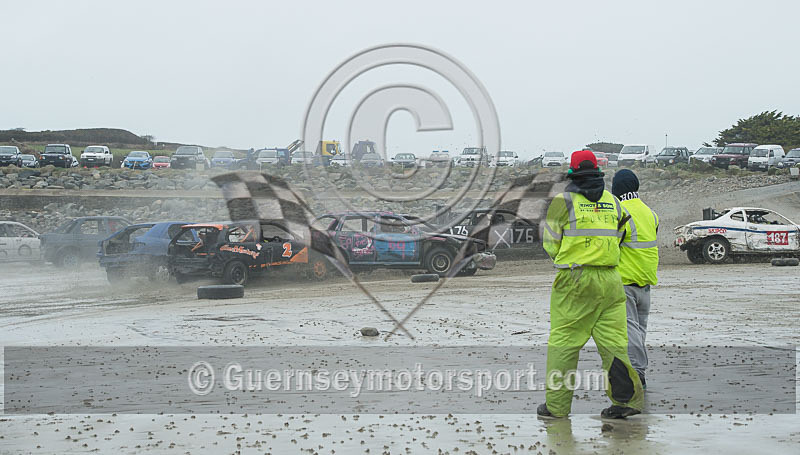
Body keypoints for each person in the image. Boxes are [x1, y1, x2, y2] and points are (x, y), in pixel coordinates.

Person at [538, 150, 644, 419]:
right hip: (611, 279)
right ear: (598, 170)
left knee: (564, 343)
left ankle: (557, 407)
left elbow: (550, 242)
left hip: (575, 279)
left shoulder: (563, 201)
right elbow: (624, 234)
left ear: (572, 172)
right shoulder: (613, 201)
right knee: (615, 345)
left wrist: (571, 258)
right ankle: (625, 402)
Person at [611, 169, 659, 389]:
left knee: (630, 330)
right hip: (646, 280)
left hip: (625, 280)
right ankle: (636, 370)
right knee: (640, 330)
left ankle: (637, 373)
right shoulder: (650, 213)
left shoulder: (621, 212)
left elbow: (613, 245)